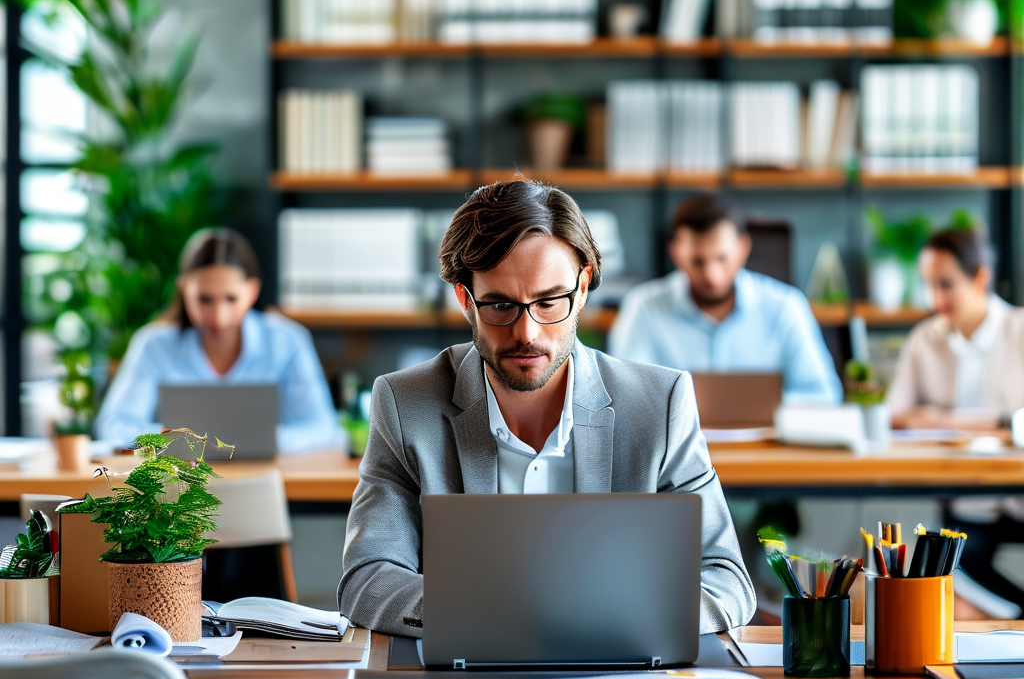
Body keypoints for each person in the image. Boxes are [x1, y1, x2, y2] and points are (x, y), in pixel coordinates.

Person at [339, 180, 755, 638]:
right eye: (500, 305)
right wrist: (510, 616)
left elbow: (726, 580)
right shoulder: (405, 405)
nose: (528, 333)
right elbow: (369, 581)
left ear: (581, 289)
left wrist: (613, 617)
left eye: (548, 301)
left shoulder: (660, 404)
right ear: (465, 300)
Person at [95, 227, 342, 455]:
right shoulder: (153, 345)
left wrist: (266, 440)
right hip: (177, 490)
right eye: (205, 299)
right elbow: (114, 426)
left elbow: (323, 428)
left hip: (264, 485)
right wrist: (166, 437)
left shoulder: (288, 341)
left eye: (231, 299)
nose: (219, 317)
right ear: (183, 289)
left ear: (252, 292)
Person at [888, 226, 1024, 614]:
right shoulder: (924, 339)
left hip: (1017, 493)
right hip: (963, 499)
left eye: (946, 285)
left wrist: (944, 420)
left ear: (980, 277)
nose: (936, 299)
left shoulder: (1018, 331)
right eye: (929, 285)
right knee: (946, 568)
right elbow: (895, 415)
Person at [608, 194, 842, 404]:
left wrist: (763, 409)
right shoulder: (643, 308)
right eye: (697, 261)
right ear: (676, 252)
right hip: (673, 450)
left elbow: (823, 395)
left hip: (767, 449)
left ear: (742, 248)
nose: (712, 276)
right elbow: (623, 397)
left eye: (722, 258)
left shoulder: (786, 307)